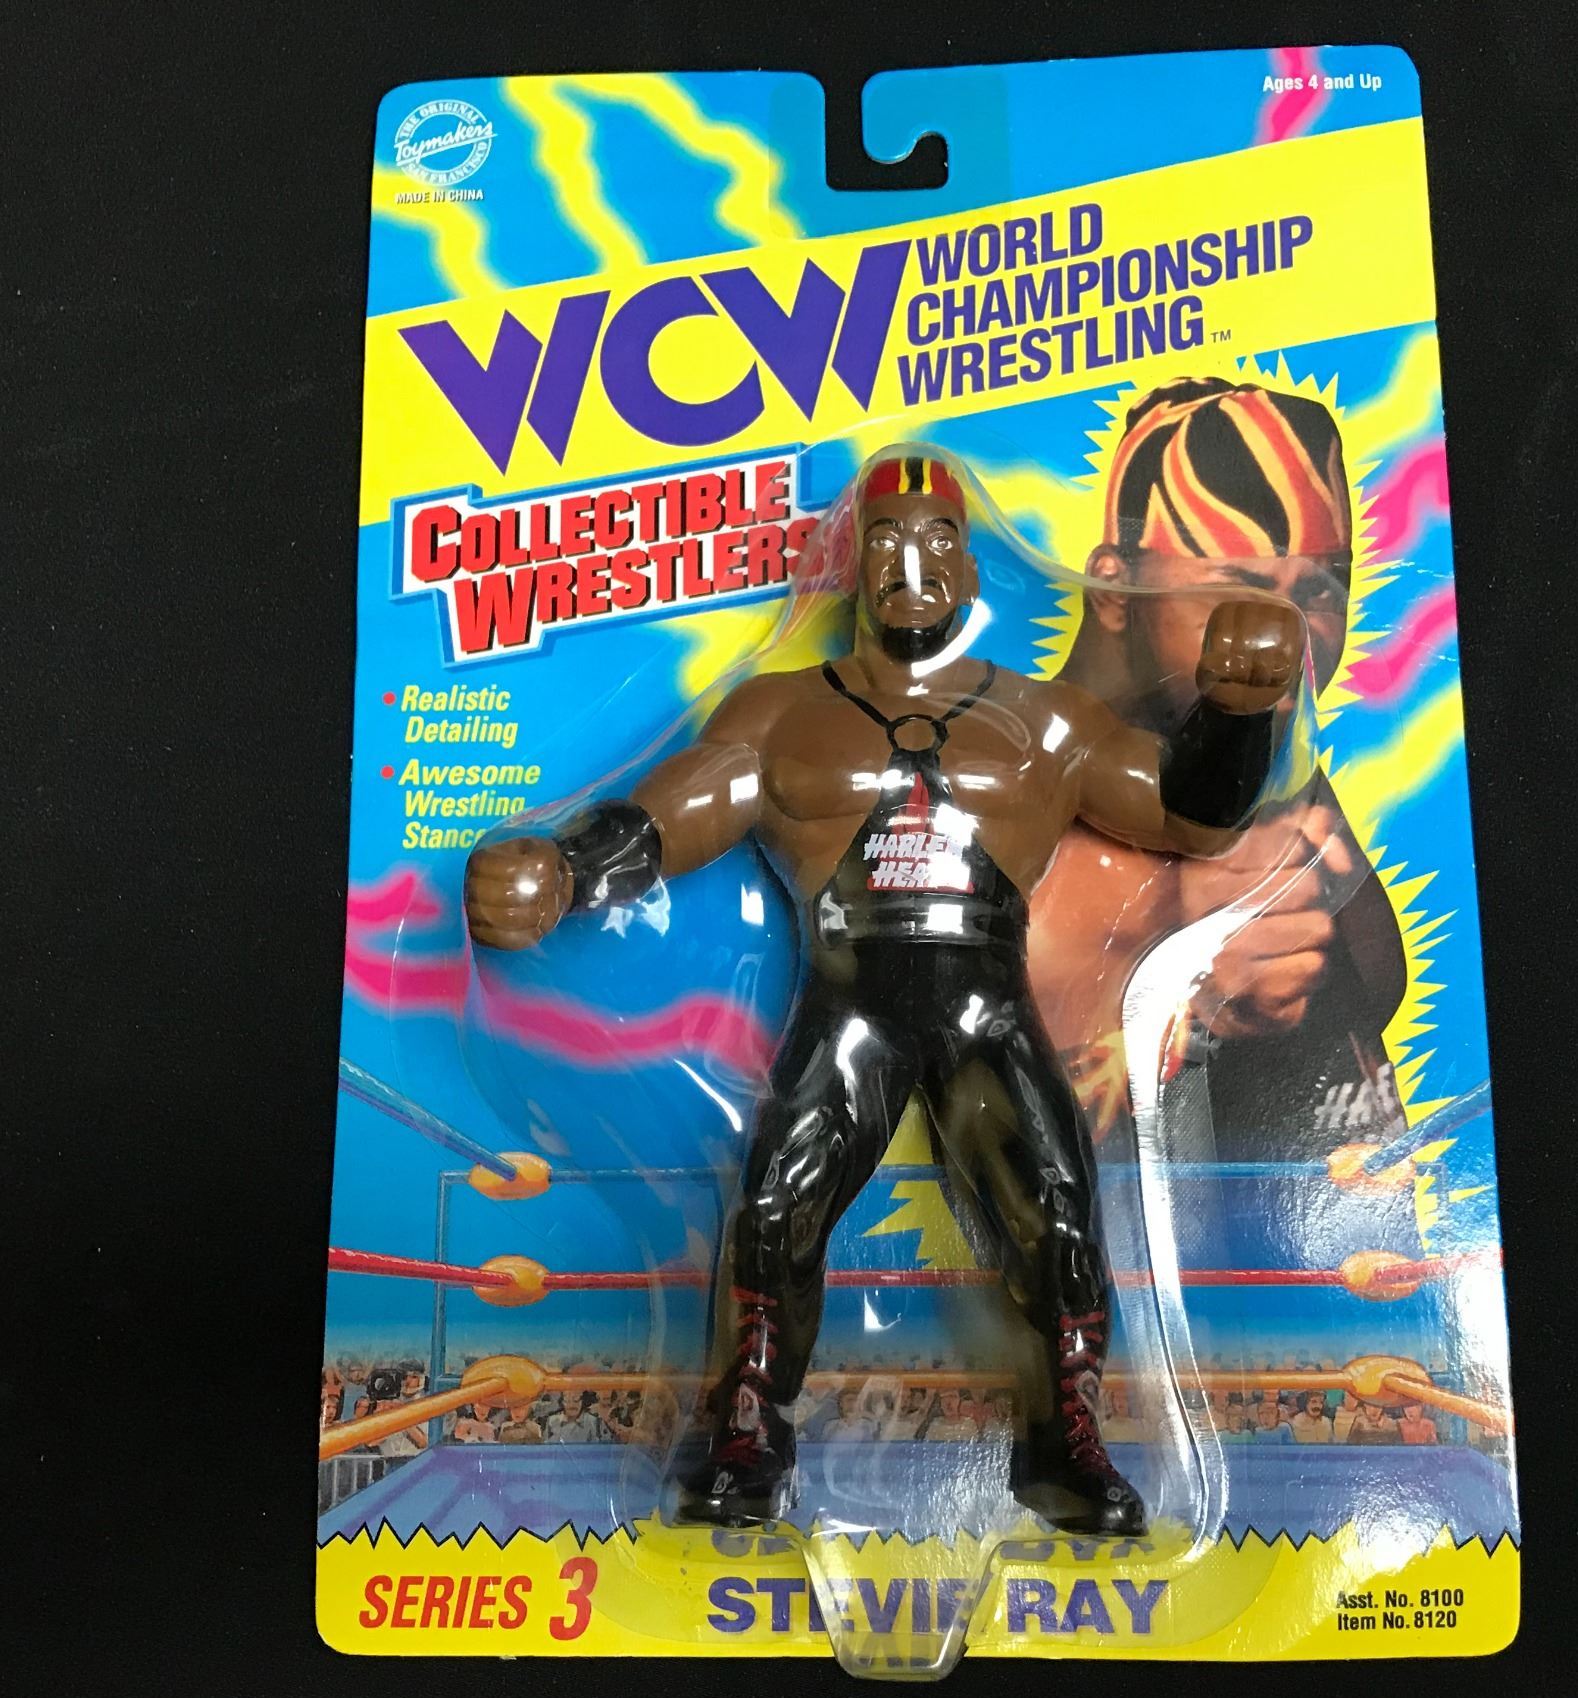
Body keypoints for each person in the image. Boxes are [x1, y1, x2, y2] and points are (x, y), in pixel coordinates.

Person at [467, 447, 1304, 1537]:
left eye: (938, 539)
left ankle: (1067, 1437)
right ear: (853, 566)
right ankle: (748, 1424)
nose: (912, 563)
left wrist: (1239, 713)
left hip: (981, 1004)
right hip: (851, 997)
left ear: (971, 567)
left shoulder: (1045, 722)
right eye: (887, 542)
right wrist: (566, 870)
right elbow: (672, 815)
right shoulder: (780, 713)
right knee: (778, 1205)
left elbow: (1191, 814)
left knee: (1055, 1210)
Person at [1034, 377, 1408, 1161]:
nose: (1285, 633)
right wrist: (1190, 982)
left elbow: (1377, 983)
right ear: (1115, 588)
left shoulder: (1254, 732)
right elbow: (991, 1048)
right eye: (1238, 591)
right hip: (1143, 1226)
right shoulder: (1036, 768)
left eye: (1319, 588)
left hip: (1346, 1217)